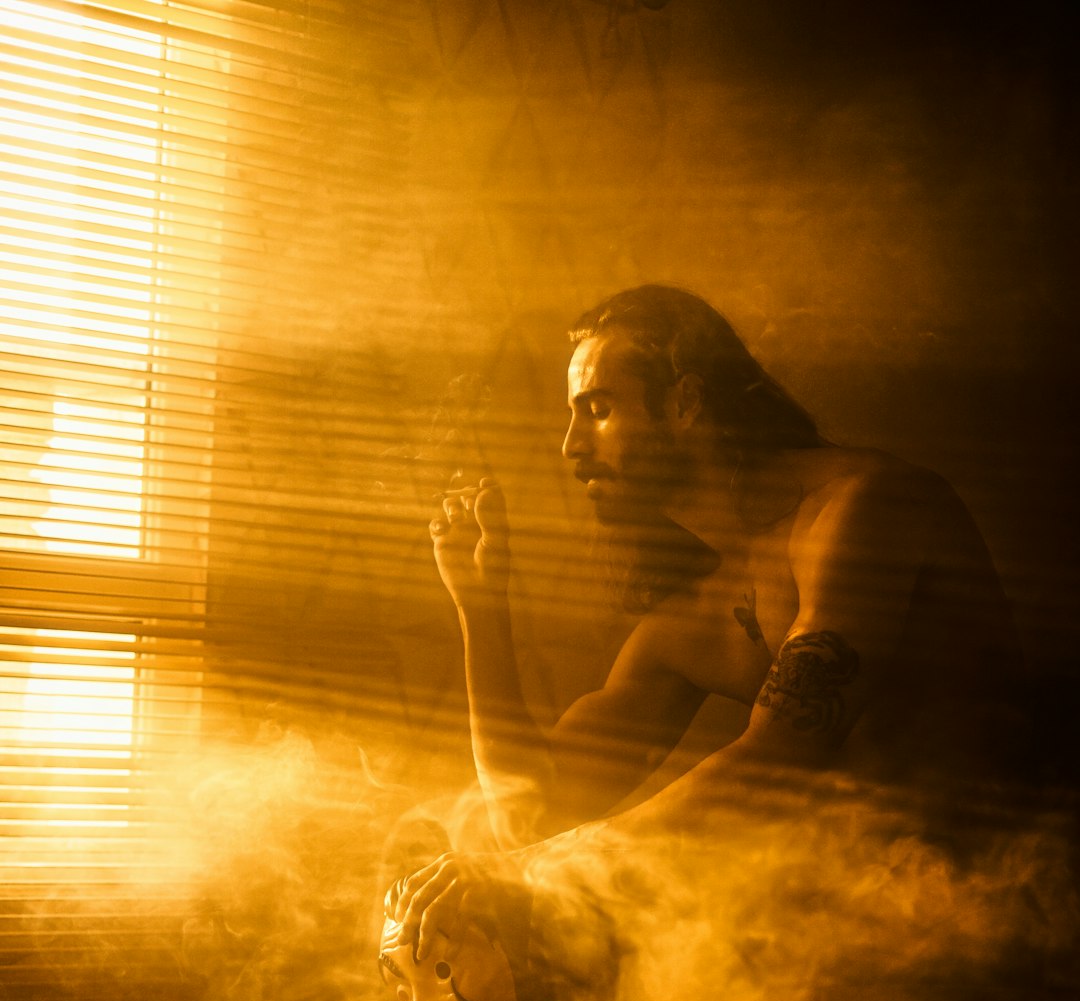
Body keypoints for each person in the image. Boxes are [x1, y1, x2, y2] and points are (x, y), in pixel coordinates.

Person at [395, 284, 1026, 957]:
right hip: (847, 942)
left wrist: (526, 870)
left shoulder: (862, 509)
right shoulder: (686, 621)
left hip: (1010, 910)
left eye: (598, 410)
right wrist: (481, 609)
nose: (570, 446)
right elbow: (534, 809)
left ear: (686, 402)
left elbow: (784, 748)